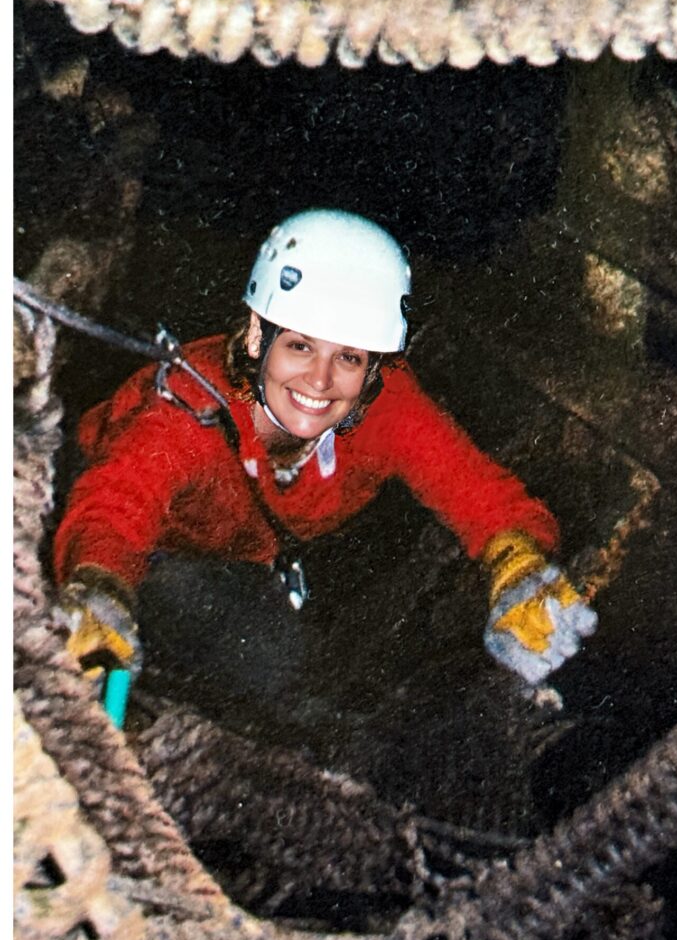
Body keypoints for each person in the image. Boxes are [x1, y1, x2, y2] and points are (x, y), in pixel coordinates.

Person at [54, 209, 597, 729]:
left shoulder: (384, 406)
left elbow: (476, 490)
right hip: (132, 525)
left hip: (237, 549)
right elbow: (115, 505)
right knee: (169, 673)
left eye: (349, 357)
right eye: (299, 346)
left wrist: (517, 566)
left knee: (286, 686)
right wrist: (102, 589)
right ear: (254, 337)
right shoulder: (187, 416)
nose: (320, 380)